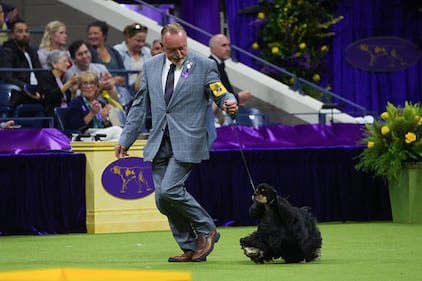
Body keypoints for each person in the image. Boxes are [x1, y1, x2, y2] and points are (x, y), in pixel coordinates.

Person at [114, 23, 238, 263]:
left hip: (189, 139)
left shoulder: (204, 65)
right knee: (163, 199)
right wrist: (126, 138)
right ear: (162, 46)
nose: (180, 54)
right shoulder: (150, 67)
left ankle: (206, 228)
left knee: (170, 190)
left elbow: (221, 93)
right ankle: (190, 247)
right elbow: (140, 106)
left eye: (183, 48)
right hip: (159, 140)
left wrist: (229, 104)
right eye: (173, 50)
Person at [64, 40, 126, 125]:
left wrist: (110, 86)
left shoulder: (101, 68)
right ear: (74, 58)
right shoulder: (71, 73)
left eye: (86, 52)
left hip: (102, 105)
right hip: (85, 109)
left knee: (116, 110)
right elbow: (79, 98)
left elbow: (115, 98)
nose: (85, 56)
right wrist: (100, 87)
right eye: (80, 54)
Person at [87, 20, 131, 109]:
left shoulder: (114, 52)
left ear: (104, 35)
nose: (92, 36)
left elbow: (123, 75)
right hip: (99, 91)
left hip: (117, 88)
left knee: (125, 95)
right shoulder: (87, 53)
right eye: (90, 34)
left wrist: (114, 81)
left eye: (95, 33)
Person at [209, 34, 252, 125]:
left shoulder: (219, 65)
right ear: (213, 49)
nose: (228, 49)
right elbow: (217, 96)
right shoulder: (210, 67)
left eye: (229, 45)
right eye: (223, 45)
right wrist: (238, 97)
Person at [67, 71, 122, 141]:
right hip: (85, 136)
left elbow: (108, 127)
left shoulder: (101, 103)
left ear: (97, 87)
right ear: (80, 87)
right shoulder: (76, 103)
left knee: (118, 138)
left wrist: (105, 119)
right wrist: (92, 113)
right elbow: (75, 126)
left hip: (101, 134)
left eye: (91, 83)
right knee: (117, 131)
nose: (88, 86)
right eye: (85, 83)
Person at [0, 19, 43, 108]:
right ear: (12, 35)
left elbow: (41, 74)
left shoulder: (32, 52)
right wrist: (26, 88)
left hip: (37, 89)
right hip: (20, 92)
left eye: (26, 31)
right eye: (20, 31)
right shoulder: (7, 52)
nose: (24, 34)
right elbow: (7, 77)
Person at [37, 50, 78, 115]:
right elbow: (50, 97)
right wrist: (69, 83)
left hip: (66, 112)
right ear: (54, 64)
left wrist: (74, 91)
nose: (68, 64)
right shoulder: (45, 76)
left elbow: (69, 102)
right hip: (53, 113)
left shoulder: (62, 80)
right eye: (64, 61)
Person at [114, 23, 151, 90]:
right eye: (138, 41)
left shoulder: (147, 52)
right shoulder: (118, 50)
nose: (141, 44)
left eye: (143, 41)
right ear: (128, 38)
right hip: (124, 88)